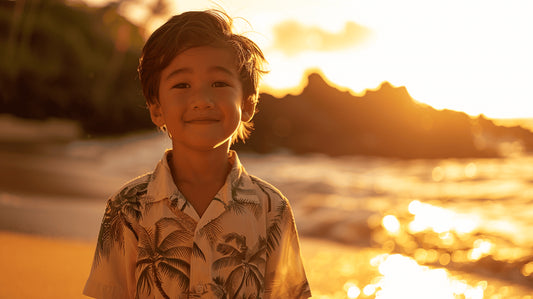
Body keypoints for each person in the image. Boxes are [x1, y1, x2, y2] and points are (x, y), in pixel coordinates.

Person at [83, 10, 311, 299]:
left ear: (249, 104)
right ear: (157, 109)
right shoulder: (127, 208)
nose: (202, 100)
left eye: (219, 83)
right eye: (182, 85)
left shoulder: (272, 209)